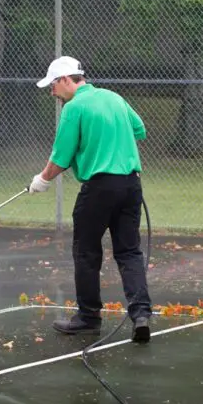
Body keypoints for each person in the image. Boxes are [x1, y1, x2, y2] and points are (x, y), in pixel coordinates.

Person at [28, 56, 152, 343]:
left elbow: (60, 158)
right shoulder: (114, 97)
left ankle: (88, 318)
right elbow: (139, 130)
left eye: (53, 85)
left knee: (86, 252)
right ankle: (141, 315)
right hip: (131, 186)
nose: (52, 92)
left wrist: (42, 180)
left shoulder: (74, 108)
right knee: (129, 252)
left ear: (66, 80)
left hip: (98, 188)